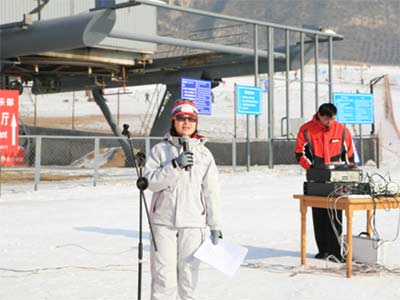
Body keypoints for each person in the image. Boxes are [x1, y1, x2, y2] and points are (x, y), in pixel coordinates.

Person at [144, 99, 222, 300]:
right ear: (173, 120)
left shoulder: (204, 155)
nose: (186, 122)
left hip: (193, 223)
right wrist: (174, 166)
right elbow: (150, 183)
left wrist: (215, 224)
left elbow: (211, 191)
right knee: (163, 276)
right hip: (163, 222)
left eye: (191, 119)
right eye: (181, 118)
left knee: (189, 277)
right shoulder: (159, 151)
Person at [295, 103, 355, 261]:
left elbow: (349, 153)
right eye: (328, 119)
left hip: (337, 178)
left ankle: (335, 251)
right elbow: (298, 153)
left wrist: (350, 171)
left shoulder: (342, 130)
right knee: (319, 214)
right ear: (320, 116)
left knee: (335, 212)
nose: (331, 122)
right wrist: (311, 168)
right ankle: (323, 250)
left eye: (333, 118)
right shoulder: (306, 130)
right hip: (316, 177)